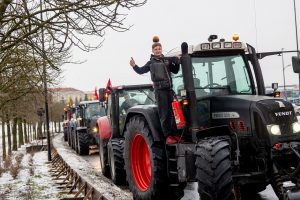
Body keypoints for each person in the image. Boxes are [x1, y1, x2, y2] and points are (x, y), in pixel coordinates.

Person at [129, 36, 181, 143]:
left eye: (159, 49)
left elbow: (175, 71)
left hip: (169, 90)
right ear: (153, 51)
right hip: (160, 91)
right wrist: (134, 66)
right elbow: (141, 71)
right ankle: (168, 136)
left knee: (173, 112)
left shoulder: (167, 60)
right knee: (164, 113)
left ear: (161, 49)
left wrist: (177, 62)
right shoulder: (151, 63)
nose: (158, 50)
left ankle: (175, 134)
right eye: (155, 49)